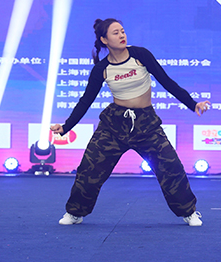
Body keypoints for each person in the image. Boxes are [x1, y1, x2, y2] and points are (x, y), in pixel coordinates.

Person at [51, 18, 210, 227]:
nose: (122, 35)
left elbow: (166, 81)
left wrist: (193, 103)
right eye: (115, 33)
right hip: (114, 125)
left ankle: (189, 212)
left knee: (171, 166)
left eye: (123, 31)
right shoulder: (102, 69)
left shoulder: (140, 55)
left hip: (146, 124)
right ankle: (75, 213)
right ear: (104, 40)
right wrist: (66, 127)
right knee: (89, 169)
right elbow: (85, 101)